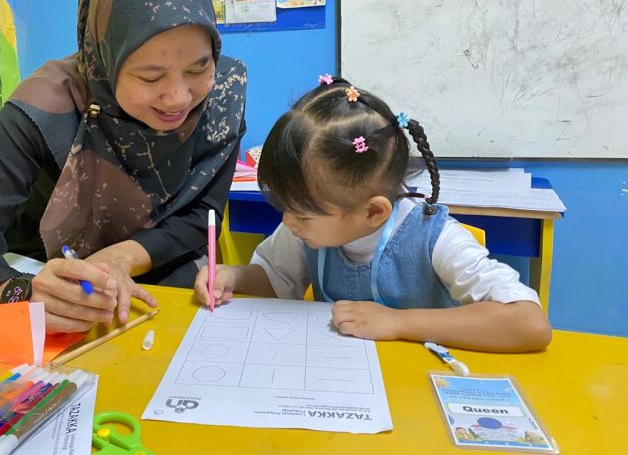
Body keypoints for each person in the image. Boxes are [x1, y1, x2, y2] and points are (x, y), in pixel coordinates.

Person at [0, 0, 247, 333]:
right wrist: (20, 293)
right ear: (104, 58)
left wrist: (120, 258)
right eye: (149, 76)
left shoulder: (222, 97)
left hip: (158, 280)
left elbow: (201, 216)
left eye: (198, 68)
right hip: (52, 289)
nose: (178, 97)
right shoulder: (43, 109)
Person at [195, 76, 551, 353]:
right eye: (286, 208)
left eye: (302, 214)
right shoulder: (304, 229)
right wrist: (234, 277)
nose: (288, 222)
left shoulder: (433, 237)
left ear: (373, 212)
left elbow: (529, 324)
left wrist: (398, 323)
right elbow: (274, 280)